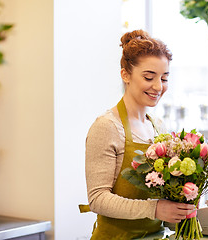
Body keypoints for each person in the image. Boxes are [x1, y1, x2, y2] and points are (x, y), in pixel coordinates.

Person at [79, 29, 195, 239]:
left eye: (164, 78)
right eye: (149, 77)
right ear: (125, 75)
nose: (158, 86)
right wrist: (155, 209)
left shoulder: (158, 126)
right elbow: (97, 199)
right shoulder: (106, 127)